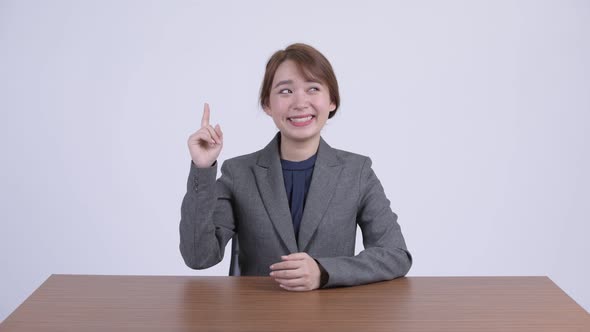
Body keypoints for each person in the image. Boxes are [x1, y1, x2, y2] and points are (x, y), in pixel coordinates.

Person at [180, 43, 412, 291]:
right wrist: (202, 169)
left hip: (333, 317)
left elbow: (396, 255)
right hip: (256, 316)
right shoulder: (239, 173)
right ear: (267, 105)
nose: (300, 102)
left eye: (313, 88)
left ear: (332, 101)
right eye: (285, 91)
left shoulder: (357, 172)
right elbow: (199, 257)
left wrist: (323, 271)